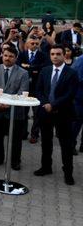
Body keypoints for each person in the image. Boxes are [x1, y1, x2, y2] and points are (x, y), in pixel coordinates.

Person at [33, 45, 78, 185]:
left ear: (64, 55)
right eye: (52, 54)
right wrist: (46, 103)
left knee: (66, 145)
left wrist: (54, 105)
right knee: (46, 142)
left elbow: (70, 94)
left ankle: (68, 173)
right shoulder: (45, 71)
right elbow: (38, 90)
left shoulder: (71, 73)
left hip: (63, 113)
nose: (55, 56)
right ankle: (46, 167)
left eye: (58, 54)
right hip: (45, 113)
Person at [0, 46, 30, 170]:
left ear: (16, 58)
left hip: (15, 111)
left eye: (11, 56)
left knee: (16, 139)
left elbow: (23, 91)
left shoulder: (23, 73)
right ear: (2, 56)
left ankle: (15, 161)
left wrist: (8, 104)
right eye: (5, 55)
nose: (7, 58)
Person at [18, 34, 50, 143]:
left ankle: (34, 134)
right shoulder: (22, 54)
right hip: (24, 87)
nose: (34, 45)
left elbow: (43, 67)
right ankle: (22, 132)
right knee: (23, 111)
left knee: (37, 113)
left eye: (37, 44)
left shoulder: (43, 55)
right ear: (27, 43)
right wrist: (34, 69)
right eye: (32, 43)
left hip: (37, 87)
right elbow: (19, 66)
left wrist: (29, 67)